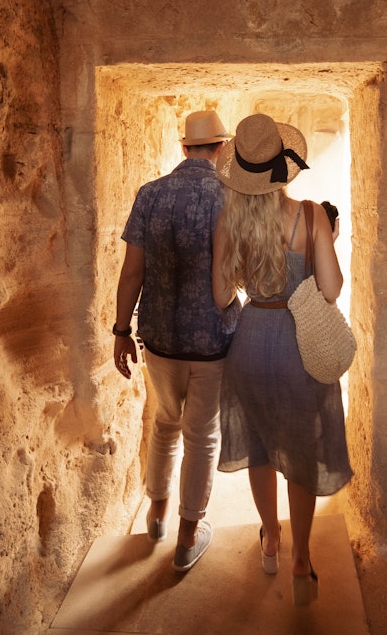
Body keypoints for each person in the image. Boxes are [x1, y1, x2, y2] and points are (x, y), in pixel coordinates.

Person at [211, 113, 352, 606]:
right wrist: (325, 245)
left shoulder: (229, 221)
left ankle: (270, 540)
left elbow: (221, 294)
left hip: (252, 339)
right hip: (298, 343)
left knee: (260, 447)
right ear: (281, 167)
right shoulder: (311, 215)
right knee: (300, 450)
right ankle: (301, 560)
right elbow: (331, 291)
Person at [112, 109, 236, 572]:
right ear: (220, 149)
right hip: (212, 341)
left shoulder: (150, 194)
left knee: (164, 425)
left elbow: (132, 272)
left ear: (184, 148)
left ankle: (157, 518)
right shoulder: (229, 196)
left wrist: (121, 330)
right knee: (202, 435)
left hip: (159, 339)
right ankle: (187, 540)